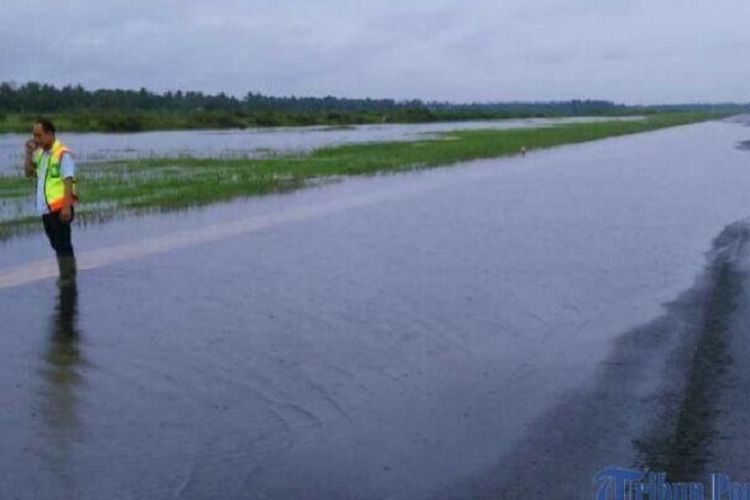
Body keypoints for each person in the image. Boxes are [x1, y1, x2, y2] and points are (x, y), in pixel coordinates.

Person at [24, 118, 78, 284]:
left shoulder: (62, 153)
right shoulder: (40, 154)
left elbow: (69, 180)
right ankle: (68, 273)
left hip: (60, 208)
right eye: (34, 135)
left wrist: (66, 207)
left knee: (63, 244)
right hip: (46, 209)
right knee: (56, 244)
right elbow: (28, 173)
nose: (36, 139)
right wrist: (28, 153)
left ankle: (67, 278)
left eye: (39, 135)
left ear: (49, 134)